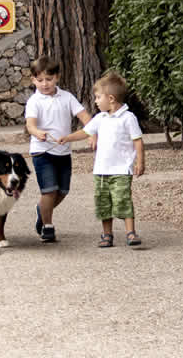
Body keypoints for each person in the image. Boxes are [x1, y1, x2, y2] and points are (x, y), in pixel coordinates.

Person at [57, 71, 146, 249]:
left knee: (123, 199)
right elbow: (86, 132)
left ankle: (130, 232)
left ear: (111, 98)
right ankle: (107, 234)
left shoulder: (128, 118)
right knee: (103, 202)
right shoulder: (100, 118)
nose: (96, 101)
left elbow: (138, 140)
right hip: (101, 171)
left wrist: (140, 162)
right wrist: (68, 138)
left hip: (121, 170)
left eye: (98, 97)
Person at [23, 57, 91, 244]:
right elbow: (30, 125)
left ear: (57, 78)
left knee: (62, 191)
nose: (44, 84)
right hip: (42, 151)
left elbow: (85, 117)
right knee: (49, 191)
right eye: (40, 80)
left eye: (49, 79)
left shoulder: (67, 97)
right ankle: (48, 226)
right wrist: (37, 132)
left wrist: (92, 133)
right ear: (33, 80)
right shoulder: (34, 101)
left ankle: (42, 210)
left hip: (63, 152)